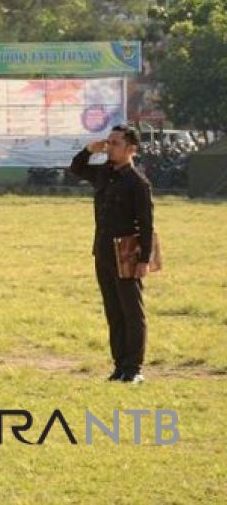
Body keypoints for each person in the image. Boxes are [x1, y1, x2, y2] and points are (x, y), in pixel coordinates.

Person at [70, 125, 154, 385]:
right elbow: (76, 169)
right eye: (109, 142)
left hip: (127, 251)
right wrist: (88, 150)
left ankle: (134, 368)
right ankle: (119, 366)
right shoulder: (104, 174)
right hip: (103, 251)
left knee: (132, 311)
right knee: (113, 311)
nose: (110, 147)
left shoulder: (138, 183)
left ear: (131, 149)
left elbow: (147, 224)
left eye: (116, 143)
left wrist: (144, 260)